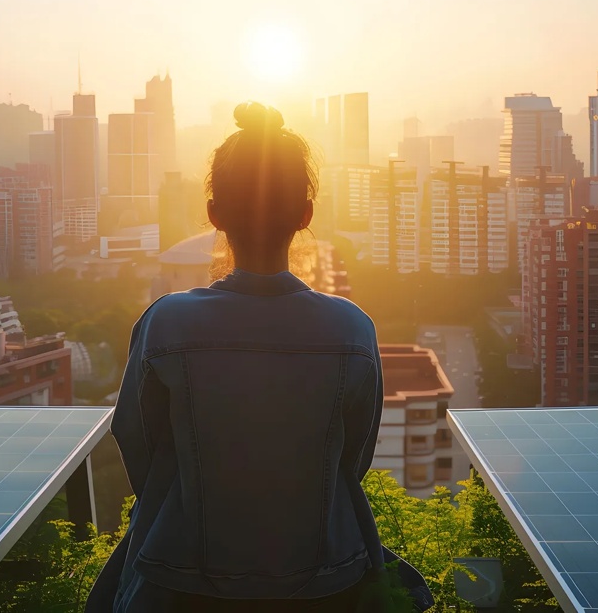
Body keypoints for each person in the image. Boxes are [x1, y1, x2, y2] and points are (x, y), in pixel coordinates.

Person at [87, 102, 410, 612]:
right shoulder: (351, 329)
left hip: (182, 579)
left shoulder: (167, 323)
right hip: (325, 578)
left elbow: (138, 443)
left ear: (214, 211)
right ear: (305, 215)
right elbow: (353, 457)